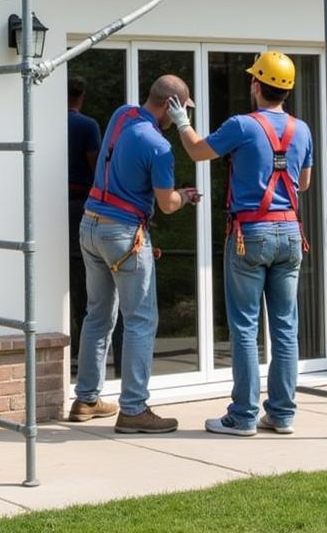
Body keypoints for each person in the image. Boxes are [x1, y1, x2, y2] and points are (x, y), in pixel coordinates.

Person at [168, 52, 313, 436]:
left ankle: (243, 416)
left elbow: (198, 151)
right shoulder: (302, 130)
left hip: (251, 234)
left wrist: (183, 122)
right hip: (290, 233)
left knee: (246, 327)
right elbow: (304, 183)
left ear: (255, 85)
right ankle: (281, 415)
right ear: (288, 89)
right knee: (284, 328)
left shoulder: (242, 126)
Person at [69, 74, 201, 433]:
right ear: (171, 107)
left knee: (97, 315)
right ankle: (134, 410)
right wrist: (185, 197)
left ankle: (86, 399)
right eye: (180, 112)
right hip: (124, 235)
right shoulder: (159, 147)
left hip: (90, 225)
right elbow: (166, 203)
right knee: (141, 319)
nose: (179, 120)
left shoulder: (121, 115)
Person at [67, 76, 101, 362]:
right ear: (82, 96)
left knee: (65, 272)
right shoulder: (87, 126)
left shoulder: (51, 122)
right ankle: (79, 348)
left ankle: (74, 342)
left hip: (53, 205)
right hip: (80, 204)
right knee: (82, 276)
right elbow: (98, 168)